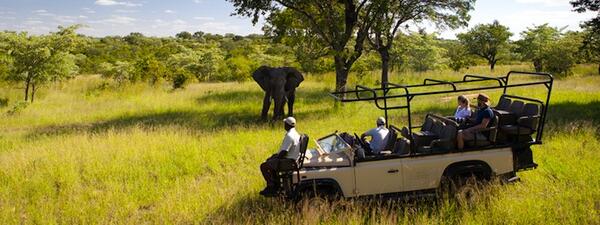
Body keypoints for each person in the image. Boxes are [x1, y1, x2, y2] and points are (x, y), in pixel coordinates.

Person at [259, 116, 301, 196]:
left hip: (288, 162)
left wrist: (275, 157)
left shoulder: (289, 136)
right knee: (271, 162)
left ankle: (271, 186)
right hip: (293, 160)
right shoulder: (296, 134)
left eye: (285, 123)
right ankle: (276, 184)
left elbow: (284, 152)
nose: (284, 125)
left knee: (263, 166)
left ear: (287, 125)